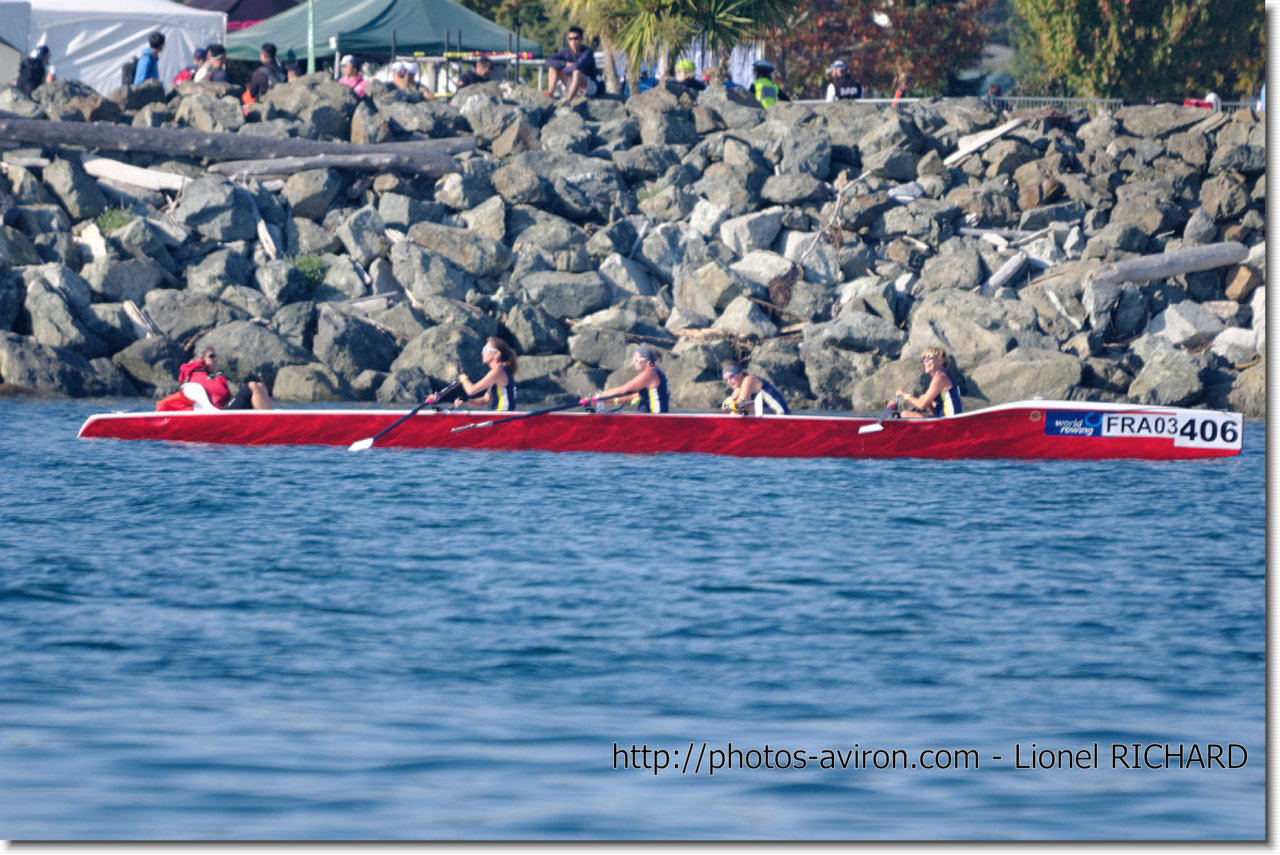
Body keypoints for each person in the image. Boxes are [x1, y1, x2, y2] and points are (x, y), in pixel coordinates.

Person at [155, 348, 272, 411]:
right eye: (211, 356)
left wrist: (215, 374)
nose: (215, 359)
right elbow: (220, 391)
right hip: (219, 412)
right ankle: (269, 420)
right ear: (202, 360)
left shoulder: (210, 375)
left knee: (260, 385)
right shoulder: (197, 373)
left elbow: (222, 392)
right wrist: (215, 374)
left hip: (225, 409)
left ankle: (272, 415)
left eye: (215, 356)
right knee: (251, 386)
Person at [429, 337, 519, 411]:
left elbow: (471, 390)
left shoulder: (498, 372)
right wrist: (467, 401)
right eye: (483, 349)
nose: (482, 352)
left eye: (486, 349)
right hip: (499, 417)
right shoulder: (499, 372)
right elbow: (485, 400)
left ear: (497, 354)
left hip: (502, 418)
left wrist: (463, 378)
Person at [581, 344, 669, 413]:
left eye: (637, 360)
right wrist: (602, 401)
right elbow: (630, 397)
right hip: (649, 420)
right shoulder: (656, 373)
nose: (634, 362)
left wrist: (598, 396)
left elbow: (623, 389)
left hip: (654, 422)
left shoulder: (650, 374)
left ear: (648, 362)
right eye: (634, 358)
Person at [895, 347, 962, 419]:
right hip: (944, 418)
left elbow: (921, 405)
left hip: (950, 420)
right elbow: (934, 412)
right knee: (911, 412)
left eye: (929, 357)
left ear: (941, 361)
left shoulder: (940, 378)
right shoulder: (939, 377)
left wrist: (903, 394)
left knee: (905, 414)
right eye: (924, 358)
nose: (925, 361)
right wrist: (929, 404)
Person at [543, 26, 599, 103]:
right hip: (573, 84)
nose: (573, 41)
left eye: (576, 38)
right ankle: (550, 94)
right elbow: (548, 60)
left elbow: (577, 66)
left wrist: (562, 68)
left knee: (576, 72)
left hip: (589, 87)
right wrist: (565, 63)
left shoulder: (587, 52)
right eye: (570, 39)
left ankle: (568, 101)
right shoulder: (566, 51)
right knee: (553, 68)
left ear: (581, 39)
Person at [720, 362, 789, 416]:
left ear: (740, 374)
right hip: (767, 414)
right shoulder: (738, 389)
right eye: (726, 379)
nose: (728, 382)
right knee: (740, 411)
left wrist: (730, 408)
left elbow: (742, 403)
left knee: (741, 410)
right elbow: (726, 406)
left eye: (731, 376)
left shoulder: (749, 380)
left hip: (780, 413)